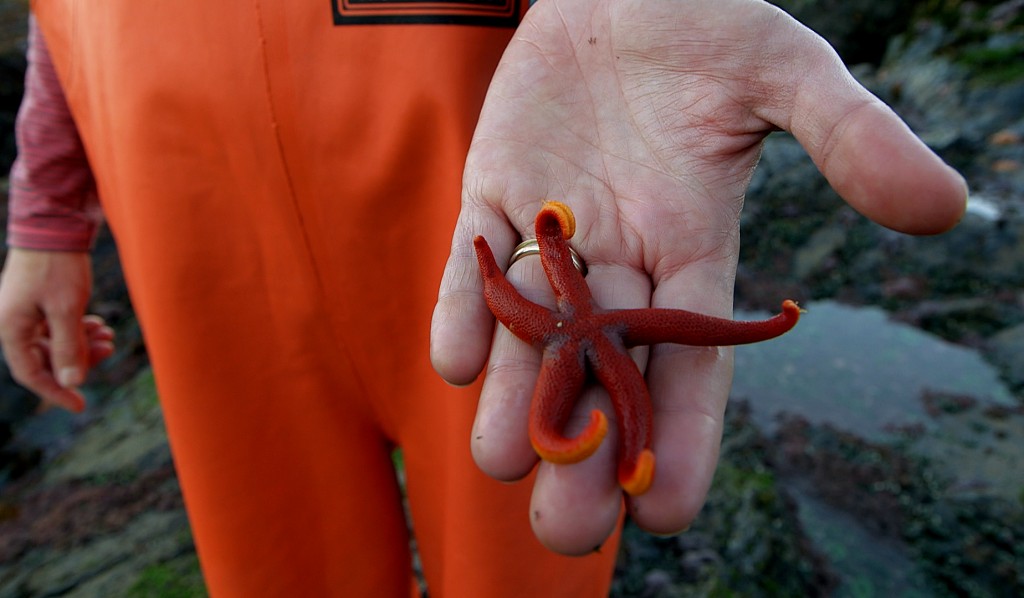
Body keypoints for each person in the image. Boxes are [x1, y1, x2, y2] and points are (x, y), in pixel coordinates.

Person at [0, 0, 966, 596]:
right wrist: (45, 214)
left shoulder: (540, 275)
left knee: (528, 545)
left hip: (480, 184)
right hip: (182, 206)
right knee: (272, 568)